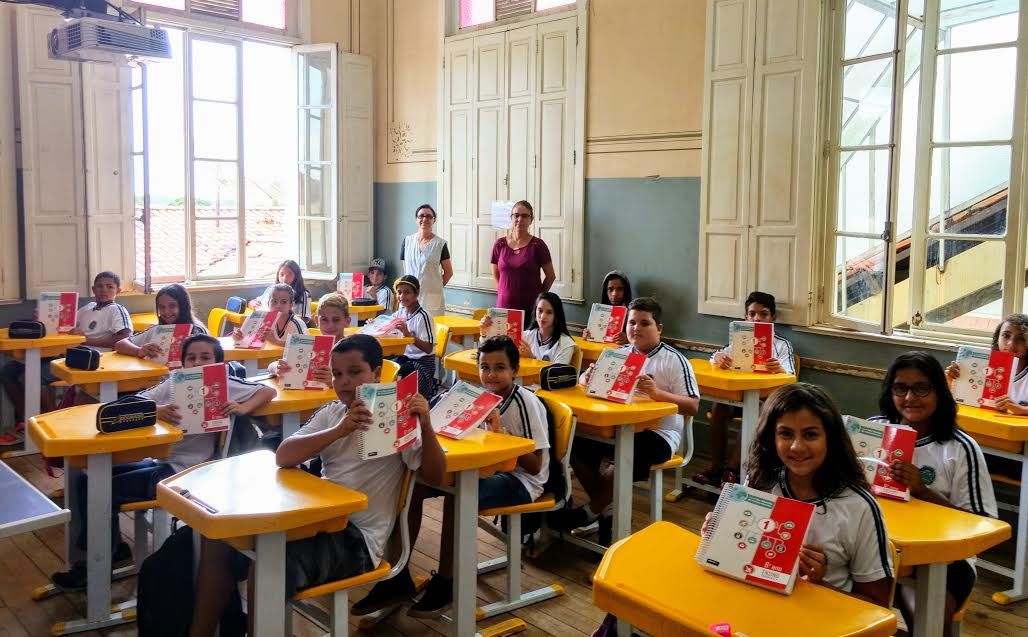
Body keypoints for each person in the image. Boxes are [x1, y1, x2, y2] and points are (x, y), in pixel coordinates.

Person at [186, 335, 447, 636]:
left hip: (357, 539)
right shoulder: (332, 412)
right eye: (337, 374)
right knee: (218, 541)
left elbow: (436, 476)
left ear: (376, 373)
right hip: (318, 519)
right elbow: (284, 456)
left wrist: (426, 426)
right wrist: (339, 430)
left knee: (269, 563)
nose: (344, 382)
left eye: (355, 372)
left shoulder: (398, 418)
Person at [50, 335, 275, 591]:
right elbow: (130, 403)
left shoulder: (223, 383)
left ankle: (94, 569)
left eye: (205, 358)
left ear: (219, 364)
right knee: (86, 479)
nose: (197, 363)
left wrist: (244, 407)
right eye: (191, 358)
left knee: (103, 489)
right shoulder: (174, 384)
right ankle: (111, 550)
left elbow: (267, 391)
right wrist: (157, 410)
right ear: (182, 363)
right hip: (162, 461)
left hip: (187, 473)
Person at [351, 335, 549, 618]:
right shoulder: (478, 397)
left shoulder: (526, 402)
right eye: (485, 367)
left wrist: (502, 434)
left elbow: (536, 466)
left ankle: (447, 581)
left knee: (459, 499)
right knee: (413, 487)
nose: (491, 375)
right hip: (481, 468)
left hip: (522, 481)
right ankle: (397, 575)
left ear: (515, 370)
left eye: (500, 368)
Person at [551, 297, 700, 545]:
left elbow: (693, 406)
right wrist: (587, 379)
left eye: (644, 323)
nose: (636, 328)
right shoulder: (616, 354)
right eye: (632, 322)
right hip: (615, 428)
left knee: (625, 453)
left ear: (659, 328)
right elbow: (590, 389)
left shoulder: (674, 360)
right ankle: (608, 512)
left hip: (660, 434)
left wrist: (657, 393)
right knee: (573, 444)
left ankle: (590, 511)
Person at [875, 352, 997, 636]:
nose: (909, 398)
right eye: (900, 388)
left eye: (922, 388)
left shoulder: (959, 448)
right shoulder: (875, 430)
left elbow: (982, 526)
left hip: (944, 559)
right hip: (881, 548)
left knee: (929, 618)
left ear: (939, 393)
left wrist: (922, 491)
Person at [0, 271, 133, 445]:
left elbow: (124, 338)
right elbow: (63, 322)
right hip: (71, 356)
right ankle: (28, 420)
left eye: (110, 287)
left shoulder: (116, 310)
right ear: (93, 289)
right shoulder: (88, 308)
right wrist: (42, 317)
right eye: (100, 286)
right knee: (9, 370)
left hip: (93, 362)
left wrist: (85, 339)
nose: (104, 290)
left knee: (33, 375)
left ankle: (52, 425)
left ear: (118, 291)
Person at [694, 291, 796, 487]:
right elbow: (716, 355)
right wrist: (719, 358)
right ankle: (715, 467)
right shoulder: (739, 341)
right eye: (752, 314)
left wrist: (779, 369)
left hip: (764, 402)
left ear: (773, 318)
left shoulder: (782, 345)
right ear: (745, 317)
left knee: (755, 409)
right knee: (718, 407)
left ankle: (732, 470)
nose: (757, 318)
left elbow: (791, 375)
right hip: (739, 397)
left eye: (764, 314)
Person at [946, 313, 1028, 413]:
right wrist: (951, 382)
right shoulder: (981, 366)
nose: (1011, 344)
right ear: (997, 339)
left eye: (1021, 338)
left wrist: (1022, 409)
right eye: (1006, 335)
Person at [490, 201, 556, 316]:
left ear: (531, 220)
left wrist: (539, 297)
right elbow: (496, 275)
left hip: (530, 308)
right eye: (516, 215)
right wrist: (504, 292)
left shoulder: (538, 245)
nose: (520, 219)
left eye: (525, 216)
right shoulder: (499, 244)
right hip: (503, 308)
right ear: (511, 218)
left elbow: (551, 276)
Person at [267, 292, 351, 379]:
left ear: (347, 321)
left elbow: (358, 380)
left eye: (336, 320)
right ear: (317, 321)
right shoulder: (309, 345)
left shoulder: (354, 348)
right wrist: (277, 368)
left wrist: (334, 380)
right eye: (324, 319)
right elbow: (271, 366)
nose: (330, 325)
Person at [115, 283, 207, 360]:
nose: (166, 311)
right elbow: (120, 344)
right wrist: (139, 351)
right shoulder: (158, 330)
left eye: (172, 306)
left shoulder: (197, 331)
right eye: (162, 307)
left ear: (183, 307)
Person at [480, 291, 576, 365]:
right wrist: (485, 332)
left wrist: (532, 358)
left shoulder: (565, 344)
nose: (542, 316)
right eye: (540, 311)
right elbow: (495, 349)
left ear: (557, 316)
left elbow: (555, 376)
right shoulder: (526, 336)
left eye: (549, 312)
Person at [401, 204, 452, 318]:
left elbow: (449, 272)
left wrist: (435, 286)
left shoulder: (440, 244)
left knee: (430, 326)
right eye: (421, 216)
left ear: (434, 220)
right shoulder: (407, 242)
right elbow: (406, 268)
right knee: (408, 325)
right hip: (408, 296)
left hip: (431, 297)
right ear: (416, 219)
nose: (425, 219)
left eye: (429, 216)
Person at [390, 275, 437, 398]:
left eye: (407, 292)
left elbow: (428, 348)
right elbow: (387, 324)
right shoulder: (401, 312)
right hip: (405, 358)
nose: (402, 296)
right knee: (385, 367)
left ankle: (402, 402)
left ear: (416, 294)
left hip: (422, 364)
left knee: (396, 373)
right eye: (399, 292)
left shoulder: (424, 316)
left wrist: (408, 335)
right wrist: (374, 323)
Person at [235, 283, 307, 347]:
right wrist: (239, 338)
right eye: (274, 301)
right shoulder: (262, 321)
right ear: (268, 303)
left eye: (284, 302)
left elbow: (304, 347)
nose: (278, 305)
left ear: (291, 305)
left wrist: (276, 341)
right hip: (268, 357)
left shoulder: (297, 324)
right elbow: (249, 343)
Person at [248, 259, 311, 324]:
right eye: (282, 275)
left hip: (288, 326)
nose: (285, 279)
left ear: (296, 276)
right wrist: (252, 303)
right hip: (266, 323)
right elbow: (254, 301)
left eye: (289, 275)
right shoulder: (271, 289)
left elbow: (305, 319)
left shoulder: (302, 294)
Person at [583, 270, 633, 345]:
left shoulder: (633, 314)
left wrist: (629, 339)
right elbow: (591, 339)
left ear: (626, 291)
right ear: (605, 291)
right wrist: (587, 334)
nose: (614, 294)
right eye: (610, 289)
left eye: (620, 289)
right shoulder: (597, 313)